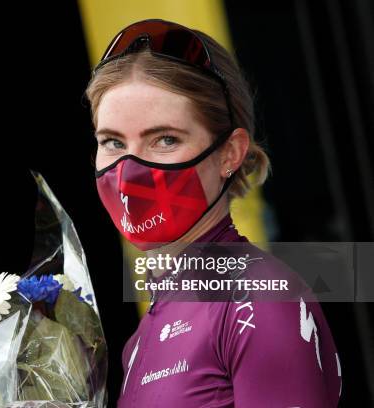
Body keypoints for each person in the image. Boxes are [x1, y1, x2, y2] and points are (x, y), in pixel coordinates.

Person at [85, 19, 342, 407]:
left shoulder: (259, 300)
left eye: (165, 139)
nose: (130, 171)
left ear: (230, 153)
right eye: (113, 142)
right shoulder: (144, 336)